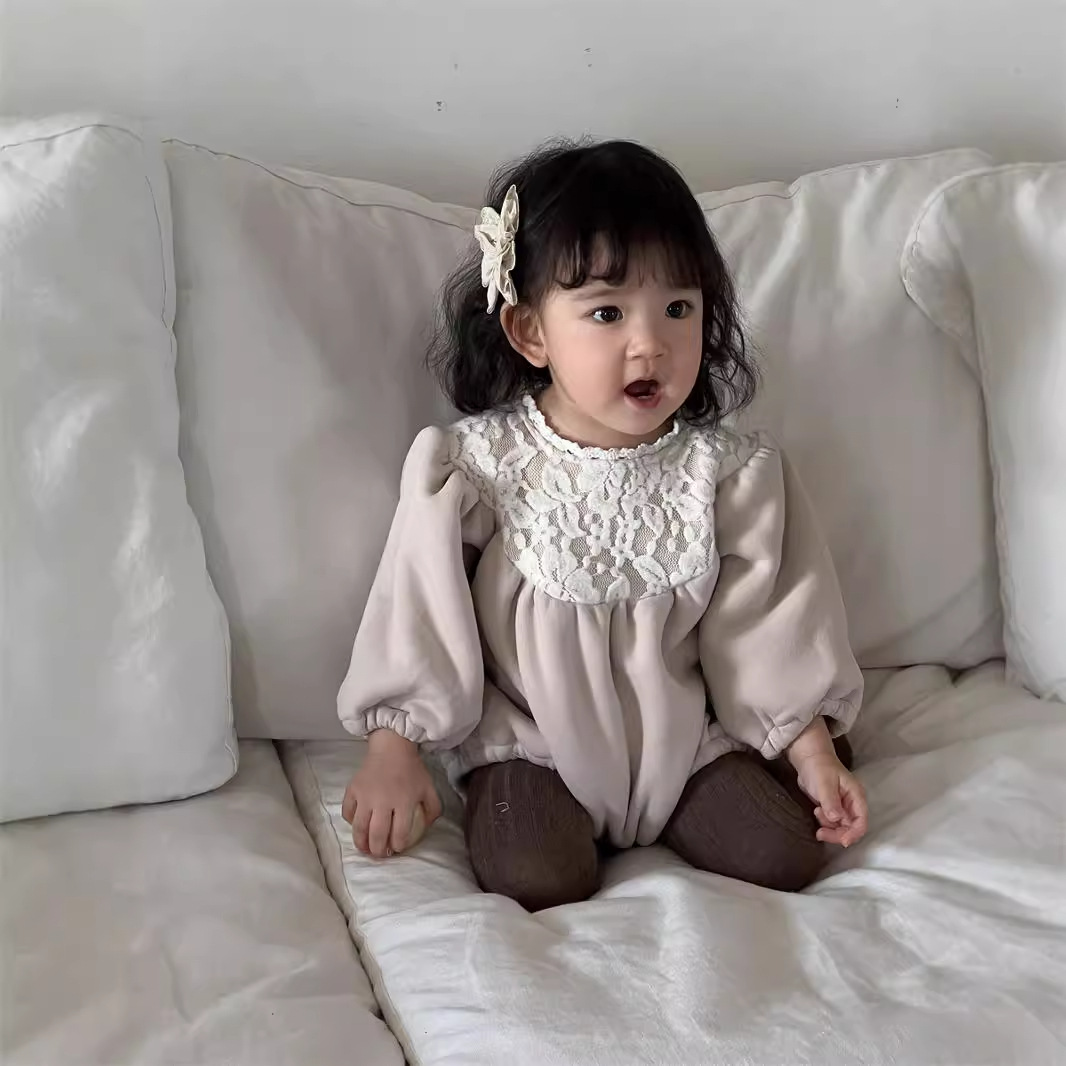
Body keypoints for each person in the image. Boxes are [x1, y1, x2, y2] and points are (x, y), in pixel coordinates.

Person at [337, 139, 868, 911]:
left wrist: (811, 751)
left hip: (684, 749)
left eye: (678, 309)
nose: (650, 344)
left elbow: (767, 625)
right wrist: (395, 746)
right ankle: (525, 804)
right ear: (531, 333)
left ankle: (769, 768)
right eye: (607, 313)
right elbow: (417, 607)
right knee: (538, 875)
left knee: (785, 852)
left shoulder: (726, 473)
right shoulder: (478, 467)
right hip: (535, 746)